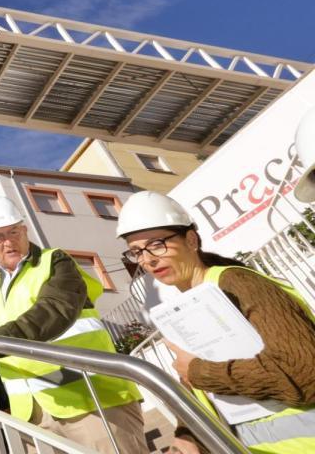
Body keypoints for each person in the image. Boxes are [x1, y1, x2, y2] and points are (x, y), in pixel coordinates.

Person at [0, 195, 145, 454]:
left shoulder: (56, 261)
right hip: (33, 417)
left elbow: (53, 311)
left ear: (25, 229)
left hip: (93, 402)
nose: (8, 241)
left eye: (14, 231)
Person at [117, 190, 315, 454]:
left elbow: (303, 373)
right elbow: (204, 391)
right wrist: (187, 434)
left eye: (156, 244)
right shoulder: (186, 307)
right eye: (136, 252)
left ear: (190, 240)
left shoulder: (239, 284)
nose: (148, 259)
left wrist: (199, 372)